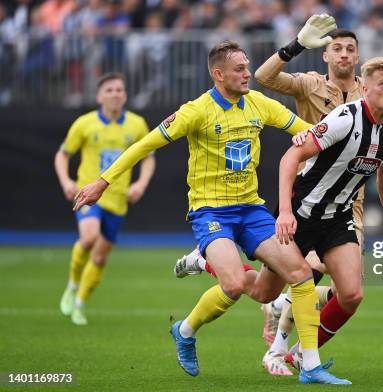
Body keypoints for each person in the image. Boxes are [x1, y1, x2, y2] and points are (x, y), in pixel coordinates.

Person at [175, 14, 383, 376]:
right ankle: (273, 340)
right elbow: (265, 79)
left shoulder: (375, 93)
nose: (345, 54)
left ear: (359, 59)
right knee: (290, 280)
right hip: (306, 199)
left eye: (351, 49)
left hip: (349, 205)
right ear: (325, 55)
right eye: (337, 48)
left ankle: (294, 351)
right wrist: (296, 44)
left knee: (349, 291)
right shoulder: (311, 86)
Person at [72, 40, 350, 385]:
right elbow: (145, 145)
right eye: (239, 69)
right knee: (234, 283)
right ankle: (186, 331)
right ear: (218, 75)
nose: (248, 73)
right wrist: (103, 182)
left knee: (291, 278)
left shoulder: (258, 104)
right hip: (210, 210)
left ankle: (309, 365)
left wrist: (350, 132)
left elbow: (306, 133)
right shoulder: (196, 110)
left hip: (251, 209)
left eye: (248, 66)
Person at [276, 56, 383, 370]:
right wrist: (285, 212)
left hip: (338, 217)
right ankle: (205, 259)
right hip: (302, 211)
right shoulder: (344, 118)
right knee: (261, 290)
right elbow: (290, 157)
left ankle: (299, 355)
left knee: (351, 294)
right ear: (365, 88)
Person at [56, 72, 156, 325]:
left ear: (125, 95)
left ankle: (79, 303)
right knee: (88, 238)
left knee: (100, 257)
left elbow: (148, 157)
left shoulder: (136, 124)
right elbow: (62, 155)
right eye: (109, 90)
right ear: (100, 96)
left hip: (118, 199)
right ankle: (71, 284)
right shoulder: (85, 124)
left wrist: (140, 184)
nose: (115, 94)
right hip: (89, 194)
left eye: (119, 90)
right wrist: (67, 182)